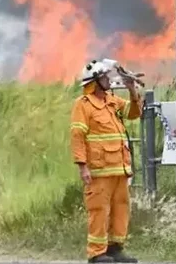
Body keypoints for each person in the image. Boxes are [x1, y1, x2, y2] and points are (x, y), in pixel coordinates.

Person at [70, 59, 143, 263]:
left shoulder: (112, 101)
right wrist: (82, 166)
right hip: (98, 170)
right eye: (104, 77)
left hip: (119, 169)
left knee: (121, 208)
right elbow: (77, 136)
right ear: (95, 82)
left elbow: (134, 113)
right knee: (99, 211)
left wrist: (132, 89)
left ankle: (115, 249)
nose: (108, 80)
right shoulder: (83, 105)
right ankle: (96, 253)